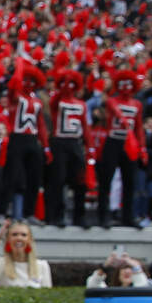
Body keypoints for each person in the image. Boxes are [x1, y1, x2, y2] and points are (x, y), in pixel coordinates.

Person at [98, 69, 146, 229]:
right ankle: (103, 216)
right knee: (106, 180)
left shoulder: (137, 104)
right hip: (113, 141)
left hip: (129, 145)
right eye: (122, 84)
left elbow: (139, 127)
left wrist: (142, 148)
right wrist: (123, 119)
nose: (126, 87)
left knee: (129, 182)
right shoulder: (113, 101)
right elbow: (113, 108)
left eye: (129, 84)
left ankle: (128, 217)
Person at [1, 64, 49, 222]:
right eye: (26, 80)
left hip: (32, 140)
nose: (28, 83)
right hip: (17, 138)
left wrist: (46, 146)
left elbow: (41, 124)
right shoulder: (16, 97)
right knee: (11, 176)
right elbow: (13, 85)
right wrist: (20, 66)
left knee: (34, 178)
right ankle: (2, 212)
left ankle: (29, 213)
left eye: (32, 80)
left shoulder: (37, 101)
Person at [47, 69, 88, 227]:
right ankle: (57, 215)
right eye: (66, 83)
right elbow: (55, 100)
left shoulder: (81, 104)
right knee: (58, 180)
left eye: (72, 83)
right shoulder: (57, 101)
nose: (68, 86)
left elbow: (85, 126)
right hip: (59, 142)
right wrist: (65, 79)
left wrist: (89, 148)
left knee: (80, 180)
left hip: (75, 143)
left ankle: (80, 216)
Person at [0, 220, 52, 288]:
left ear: (30, 240)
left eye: (24, 235)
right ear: (8, 239)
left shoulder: (42, 265)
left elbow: (47, 294)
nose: (19, 238)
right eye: (14, 235)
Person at [87, 249, 152, 288]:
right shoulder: (111, 292)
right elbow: (93, 286)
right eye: (124, 267)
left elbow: (142, 287)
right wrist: (105, 266)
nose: (127, 271)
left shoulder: (151, 285)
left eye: (131, 268)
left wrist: (136, 266)